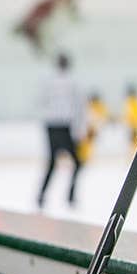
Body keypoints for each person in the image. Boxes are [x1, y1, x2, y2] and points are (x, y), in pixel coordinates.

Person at [37, 52, 86, 208]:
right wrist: (79, 130)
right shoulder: (73, 82)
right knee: (77, 163)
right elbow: (79, 107)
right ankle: (70, 196)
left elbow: (41, 102)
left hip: (51, 125)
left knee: (52, 163)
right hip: (64, 126)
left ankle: (41, 195)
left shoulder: (48, 81)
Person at [75, 91, 109, 163]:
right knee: (85, 144)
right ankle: (84, 157)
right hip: (89, 128)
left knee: (86, 144)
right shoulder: (94, 106)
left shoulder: (97, 107)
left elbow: (99, 119)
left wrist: (94, 128)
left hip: (91, 128)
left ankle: (84, 157)